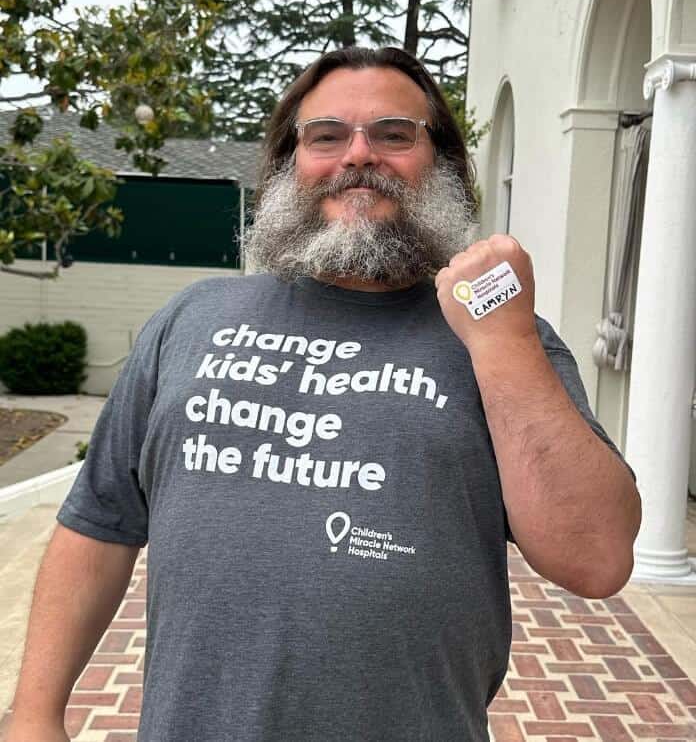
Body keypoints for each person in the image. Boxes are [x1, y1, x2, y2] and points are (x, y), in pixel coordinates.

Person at [7, 46, 641, 742]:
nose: (359, 155)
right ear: (289, 165)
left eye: (395, 134)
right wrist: (35, 714)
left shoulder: (505, 339)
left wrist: (503, 340)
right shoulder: (191, 318)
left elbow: (596, 557)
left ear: (447, 167)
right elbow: (100, 522)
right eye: (326, 135)